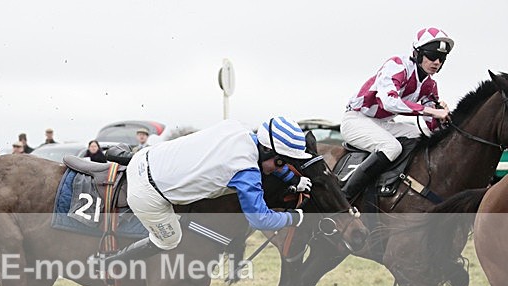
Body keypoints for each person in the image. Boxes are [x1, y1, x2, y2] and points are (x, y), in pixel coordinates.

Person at [105, 117, 312, 264]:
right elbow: (260, 220)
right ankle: (111, 262)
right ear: (267, 150)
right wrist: (295, 218)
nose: (279, 168)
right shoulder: (246, 172)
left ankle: (117, 154)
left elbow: (266, 160)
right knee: (169, 241)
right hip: (145, 194)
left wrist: (292, 178)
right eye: (281, 162)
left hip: (145, 157)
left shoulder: (235, 127)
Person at [340, 27, 453, 200]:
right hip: (356, 120)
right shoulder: (397, 65)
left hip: (382, 124)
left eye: (442, 58)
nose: (437, 62)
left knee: (423, 136)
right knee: (392, 147)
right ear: (418, 53)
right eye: (432, 56)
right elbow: (389, 101)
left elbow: (432, 126)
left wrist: (443, 117)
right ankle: (345, 196)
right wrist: (431, 110)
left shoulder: (430, 85)